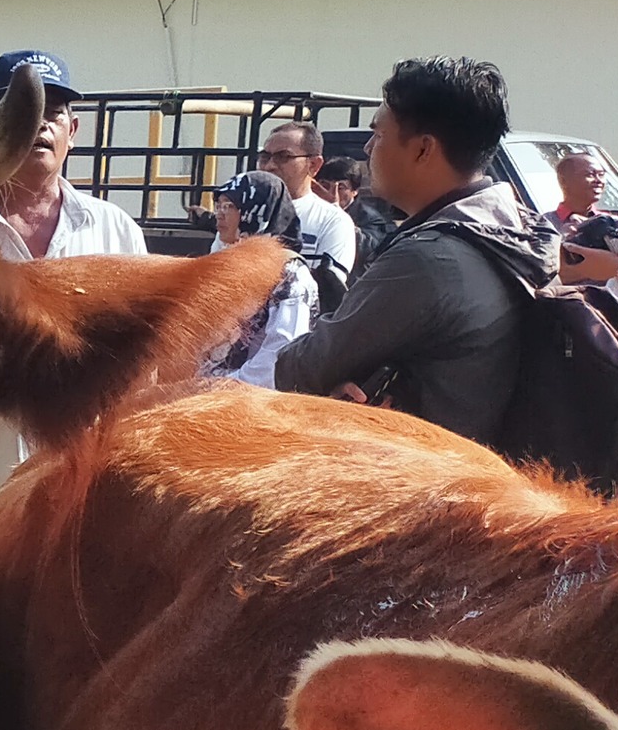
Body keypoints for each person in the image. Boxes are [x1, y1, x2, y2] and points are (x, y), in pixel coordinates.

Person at [276, 56, 559, 449]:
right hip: (493, 475)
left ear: (424, 149)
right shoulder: (521, 231)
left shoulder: (427, 260)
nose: (368, 147)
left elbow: (299, 369)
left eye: (379, 134)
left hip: (422, 488)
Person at [0, 50, 148, 515]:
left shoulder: (114, 231)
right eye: (21, 112)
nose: (40, 125)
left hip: (75, 494)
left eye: (54, 112)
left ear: (72, 132)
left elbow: (143, 363)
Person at [201, 170, 320, 390]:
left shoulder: (289, 272)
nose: (219, 214)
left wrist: (222, 386)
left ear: (257, 211)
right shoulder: (227, 262)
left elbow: (282, 350)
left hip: (250, 401)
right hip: (204, 392)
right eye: (218, 205)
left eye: (230, 206)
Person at [255, 122, 360, 287]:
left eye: (283, 157)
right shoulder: (242, 211)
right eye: (265, 157)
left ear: (313, 165)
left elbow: (327, 290)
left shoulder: (333, 221)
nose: (270, 166)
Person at [545, 151, 618, 284]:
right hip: (565, 300)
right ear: (564, 180)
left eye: (601, 175)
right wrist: (561, 240)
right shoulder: (543, 225)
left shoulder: (614, 225)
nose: (598, 181)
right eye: (590, 174)